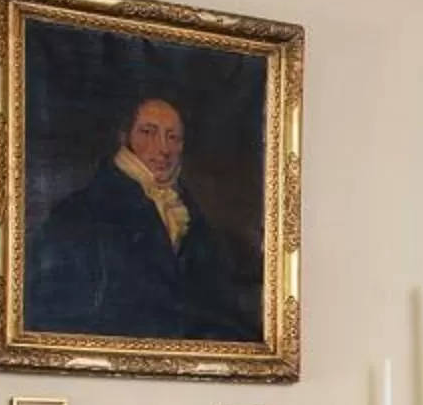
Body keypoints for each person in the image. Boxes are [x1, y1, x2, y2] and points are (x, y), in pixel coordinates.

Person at [25, 93, 263, 343]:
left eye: (173, 137)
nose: (163, 148)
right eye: (148, 132)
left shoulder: (191, 214)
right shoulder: (81, 212)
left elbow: (218, 305)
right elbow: (56, 313)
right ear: (124, 137)